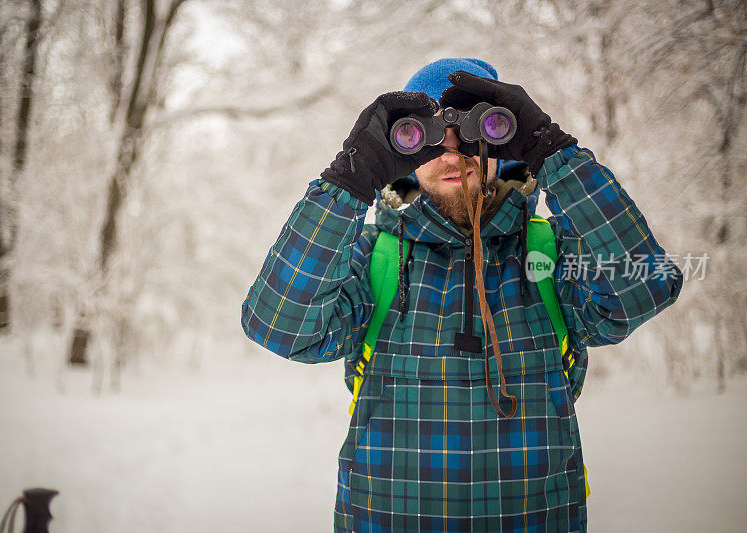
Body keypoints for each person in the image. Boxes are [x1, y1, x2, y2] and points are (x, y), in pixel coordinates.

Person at [241, 58, 682, 532]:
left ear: (505, 140)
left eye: (473, 135)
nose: (452, 156)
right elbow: (281, 326)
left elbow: (645, 286)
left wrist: (556, 155)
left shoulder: (549, 254)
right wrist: (345, 183)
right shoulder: (374, 258)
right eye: (427, 139)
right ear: (401, 151)